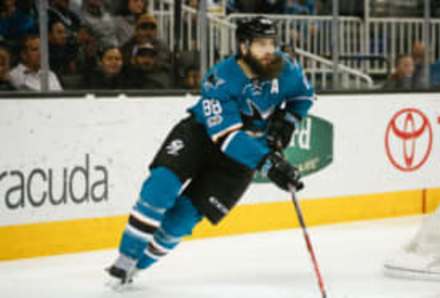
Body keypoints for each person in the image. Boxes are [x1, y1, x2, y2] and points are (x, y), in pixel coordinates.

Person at [106, 16, 314, 286]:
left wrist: (286, 124)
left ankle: (138, 266)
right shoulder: (220, 79)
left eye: (271, 43)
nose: (268, 51)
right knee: (160, 187)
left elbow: (303, 97)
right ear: (243, 46)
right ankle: (125, 259)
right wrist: (269, 164)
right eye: (260, 44)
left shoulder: (287, 69)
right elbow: (226, 137)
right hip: (201, 137)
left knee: (180, 222)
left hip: (241, 160)